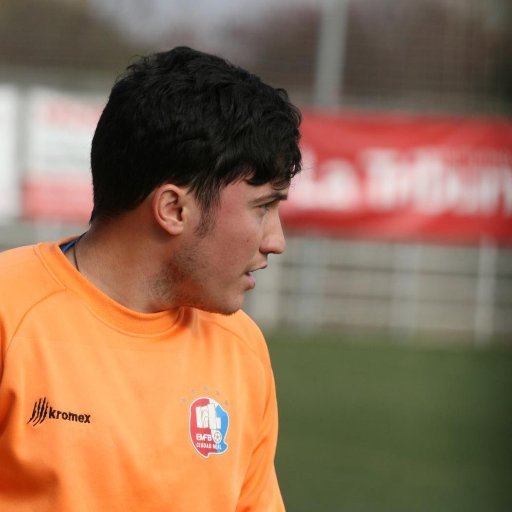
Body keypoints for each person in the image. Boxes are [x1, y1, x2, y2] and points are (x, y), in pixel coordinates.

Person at [0, 46, 301, 511]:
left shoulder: (242, 348)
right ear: (174, 209)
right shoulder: (10, 313)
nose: (276, 240)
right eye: (263, 208)